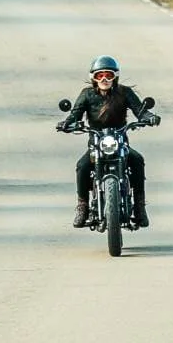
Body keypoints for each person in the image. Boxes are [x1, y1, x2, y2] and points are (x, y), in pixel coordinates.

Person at [60, 54, 158, 229]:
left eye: (109, 75)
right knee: (82, 166)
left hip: (120, 140)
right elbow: (74, 114)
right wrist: (67, 123)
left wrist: (149, 117)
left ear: (115, 77)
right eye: (100, 75)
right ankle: (82, 206)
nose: (104, 79)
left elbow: (140, 111)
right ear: (93, 78)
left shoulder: (125, 92)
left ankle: (140, 207)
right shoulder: (87, 95)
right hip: (96, 141)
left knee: (137, 160)